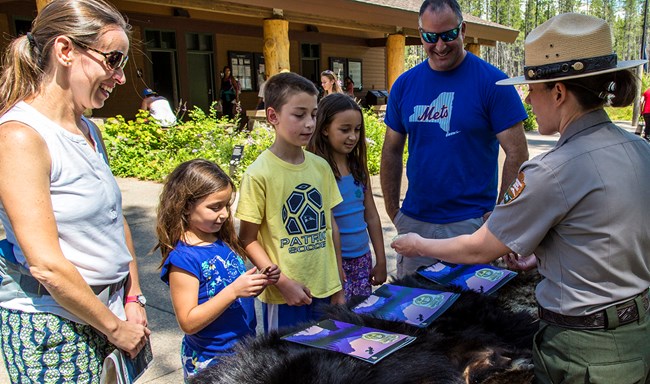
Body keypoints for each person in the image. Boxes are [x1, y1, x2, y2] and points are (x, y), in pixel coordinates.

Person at [391, 13, 650, 384]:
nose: (528, 98)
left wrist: (417, 243)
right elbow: (608, 232)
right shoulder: (639, 148)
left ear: (558, 93)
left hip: (584, 350)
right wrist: (549, 253)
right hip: (636, 333)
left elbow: (481, 249)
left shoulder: (553, 169)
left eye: (533, 89)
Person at [0, 0, 151, 381]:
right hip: (56, 328)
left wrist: (133, 298)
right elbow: (46, 265)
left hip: (110, 315)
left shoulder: (88, 130)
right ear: (65, 50)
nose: (119, 77)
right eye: (113, 60)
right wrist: (115, 328)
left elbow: (115, 223)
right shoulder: (19, 137)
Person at [380, 0, 529, 278]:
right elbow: (391, 151)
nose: (439, 45)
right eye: (430, 36)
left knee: (471, 314)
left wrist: (500, 215)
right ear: (420, 33)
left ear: (463, 30)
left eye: (448, 35)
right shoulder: (404, 84)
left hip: (470, 225)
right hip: (416, 221)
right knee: (413, 313)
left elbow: (518, 153)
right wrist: (393, 211)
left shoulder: (493, 83)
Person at [236, 72, 345, 333]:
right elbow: (247, 239)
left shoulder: (320, 167)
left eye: (314, 114)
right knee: (287, 366)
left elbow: (331, 226)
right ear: (273, 116)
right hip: (284, 297)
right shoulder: (259, 174)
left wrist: (339, 282)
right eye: (299, 115)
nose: (309, 123)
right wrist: (282, 282)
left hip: (325, 289)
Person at [155, 159, 278, 380]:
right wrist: (233, 291)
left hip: (241, 353)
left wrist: (256, 285)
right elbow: (188, 322)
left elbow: (231, 292)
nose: (223, 214)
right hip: (211, 360)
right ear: (185, 206)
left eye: (226, 205)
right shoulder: (183, 259)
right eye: (214, 207)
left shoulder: (220, 243)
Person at [307, 93, 387, 300]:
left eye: (357, 130)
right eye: (344, 130)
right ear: (324, 128)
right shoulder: (316, 171)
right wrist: (335, 267)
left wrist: (381, 260)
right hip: (334, 263)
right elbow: (325, 225)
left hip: (362, 259)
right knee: (338, 322)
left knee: (361, 318)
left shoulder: (358, 167)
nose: (353, 136)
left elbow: (371, 216)